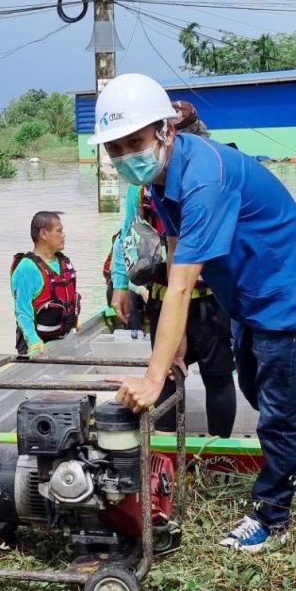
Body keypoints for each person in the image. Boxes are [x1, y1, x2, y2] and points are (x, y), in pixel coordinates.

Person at [94, 73, 296, 553]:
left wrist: (153, 377)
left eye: (135, 141)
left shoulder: (205, 177)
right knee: (255, 388)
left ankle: (274, 514)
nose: (126, 155)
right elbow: (176, 253)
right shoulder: (167, 174)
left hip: (286, 295)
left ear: (165, 130)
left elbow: (183, 285)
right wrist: (176, 338)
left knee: (276, 411)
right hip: (246, 295)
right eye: (115, 147)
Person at [109, 100, 236, 438]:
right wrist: (121, 283)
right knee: (167, 373)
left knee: (217, 377)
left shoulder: (209, 178)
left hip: (206, 296)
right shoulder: (146, 184)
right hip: (166, 298)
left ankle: (216, 451)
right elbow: (128, 232)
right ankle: (165, 453)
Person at [10, 211, 81, 355]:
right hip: (37, 343)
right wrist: (33, 341)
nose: (63, 235)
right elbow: (22, 312)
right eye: (59, 231)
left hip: (62, 337)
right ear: (44, 234)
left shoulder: (64, 262)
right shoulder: (27, 268)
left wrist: (74, 322)